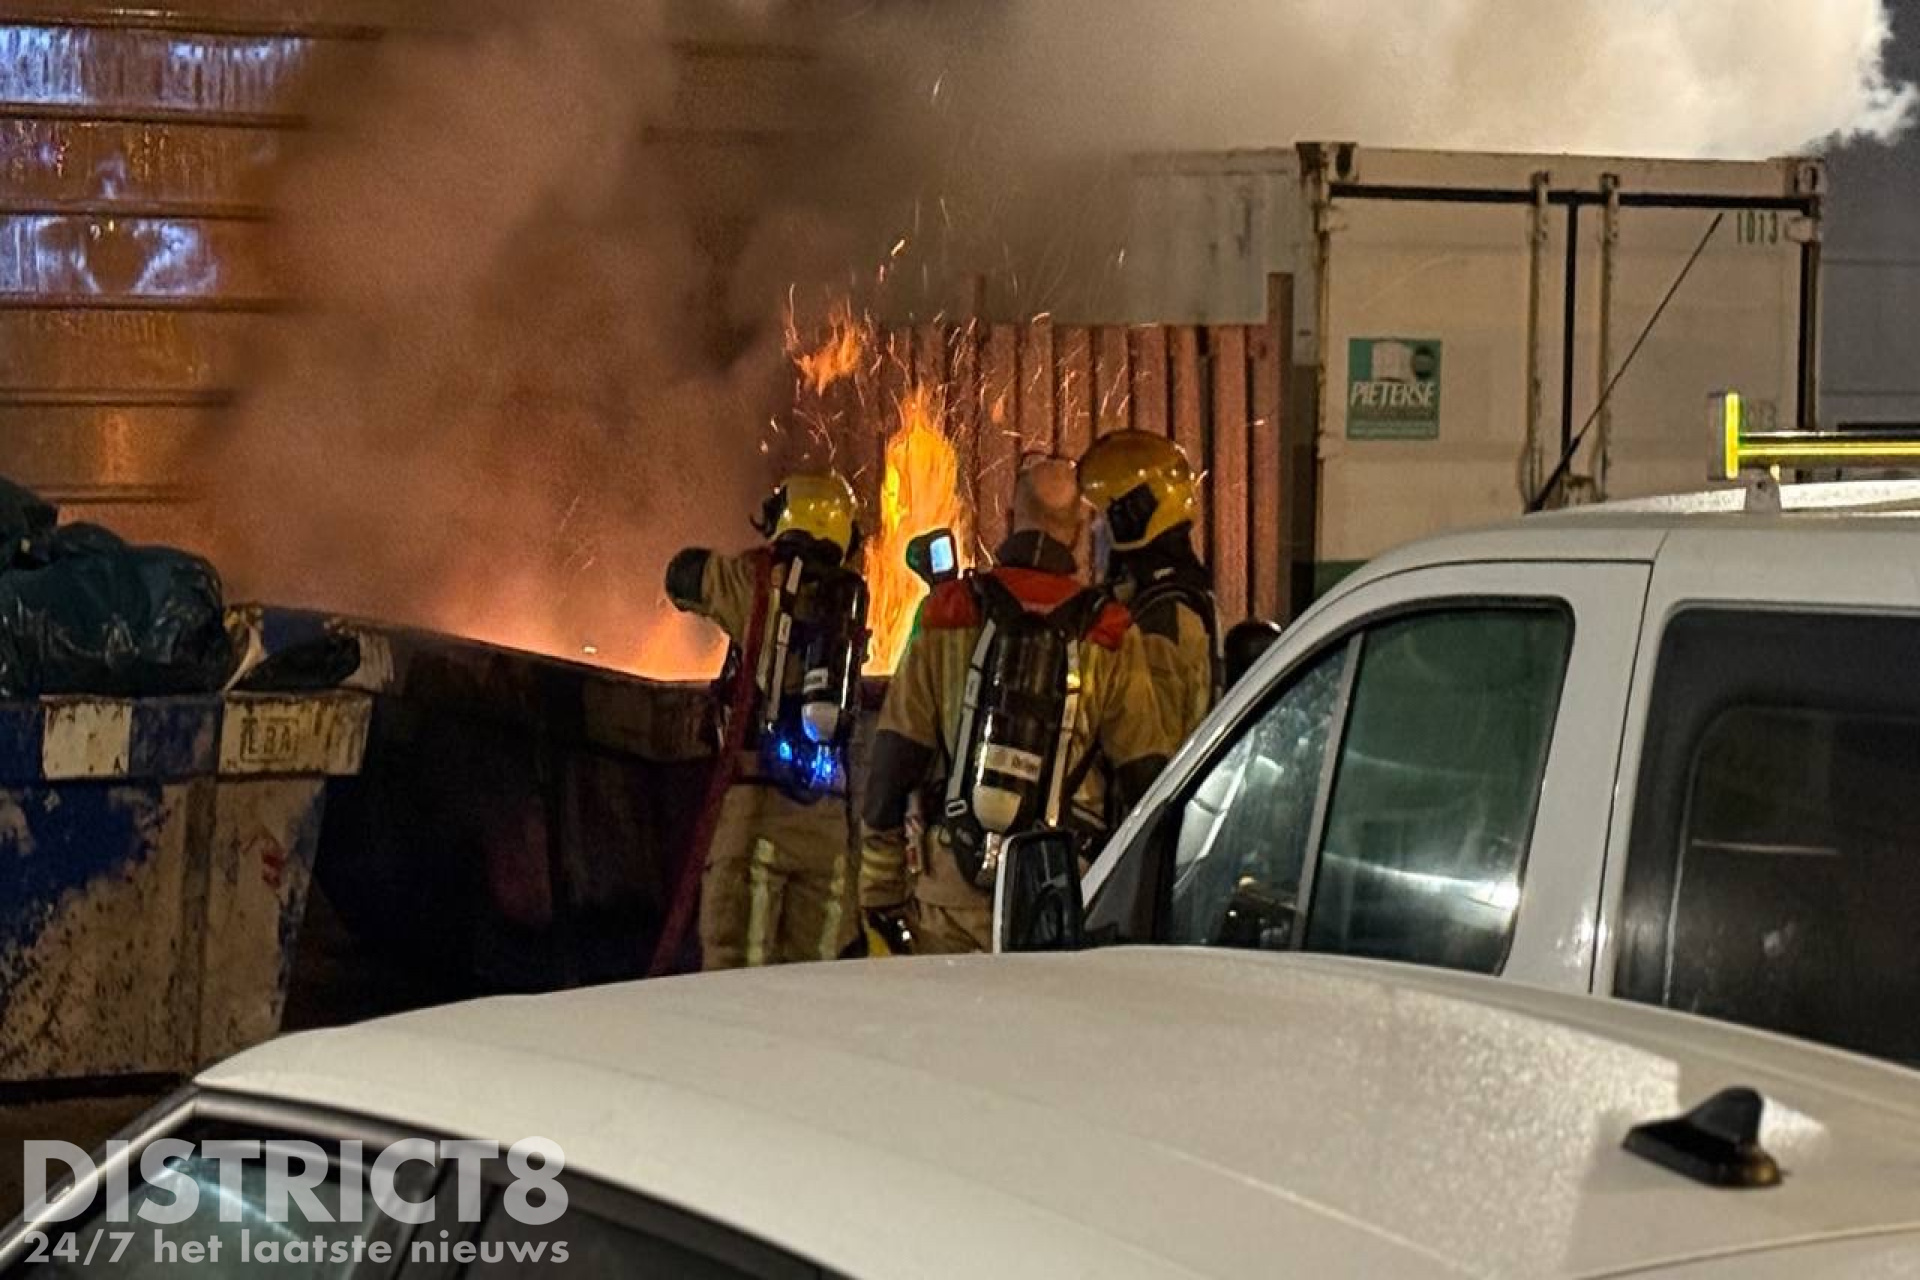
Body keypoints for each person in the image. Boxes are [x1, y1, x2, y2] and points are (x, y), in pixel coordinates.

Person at [859, 457, 1172, 955]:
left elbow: (893, 765)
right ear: (1079, 534)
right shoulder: (1110, 632)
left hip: (949, 899)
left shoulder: (948, 612)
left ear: (1008, 517)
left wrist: (879, 894)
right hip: (1056, 899)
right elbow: (1146, 778)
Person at [666, 471, 867, 970]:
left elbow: (681, 576)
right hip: (829, 828)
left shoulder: (755, 581)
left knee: (736, 980)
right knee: (814, 987)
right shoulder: (850, 601)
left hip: (757, 815)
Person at [1078, 430, 1219, 742]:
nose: (1094, 528)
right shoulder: (1175, 593)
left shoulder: (1159, 619)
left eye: (1102, 516)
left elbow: (1153, 752)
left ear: (1132, 518)